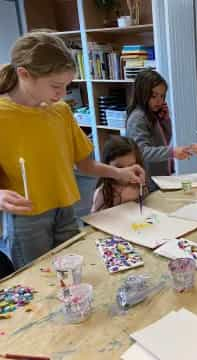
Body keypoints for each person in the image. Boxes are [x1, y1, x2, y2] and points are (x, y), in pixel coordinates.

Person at [0, 32, 144, 269]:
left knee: (73, 275)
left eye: (67, 86)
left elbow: (85, 164)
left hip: (66, 210)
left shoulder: (60, 111)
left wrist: (121, 173)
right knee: (38, 280)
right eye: (56, 86)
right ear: (24, 74)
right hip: (27, 219)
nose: (62, 94)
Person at [126, 69, 191, 179]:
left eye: (162, 96)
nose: (159, 101)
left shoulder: (151, 114)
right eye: (154, 96)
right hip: (147, 180)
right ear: (142, 94)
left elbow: (163, 141)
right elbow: (141, 151)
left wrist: (165, 121)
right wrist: (172, 152)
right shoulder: (138, 117)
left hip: (159, 177)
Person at [91, 136, 147, 212]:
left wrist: (142, 186)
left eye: (131, 166)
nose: (127, 172)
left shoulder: (138, 184)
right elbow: (94, 219)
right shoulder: (103, 192)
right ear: (107, 166)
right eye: (119, 167)